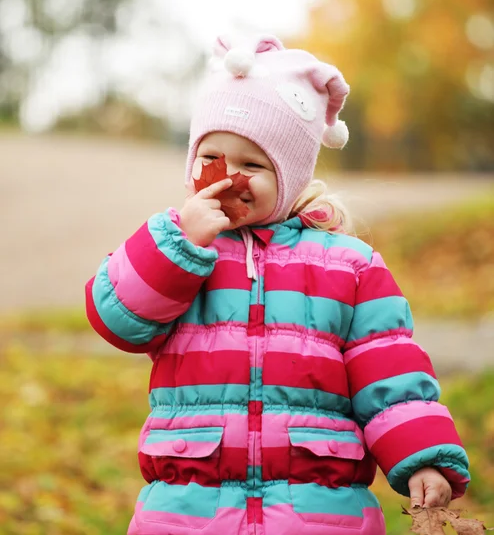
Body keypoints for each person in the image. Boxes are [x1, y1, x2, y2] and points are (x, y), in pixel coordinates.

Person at [85, 33, 470, 535]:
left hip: (318, 510)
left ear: (288, 176)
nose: (230, 177)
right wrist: (181, 244)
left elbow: (388, 371)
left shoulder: (349, 266)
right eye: (212, 158)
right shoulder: (178, 246)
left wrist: (420, 455)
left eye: (253, 165)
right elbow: (119, 318)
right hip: (188, 509)